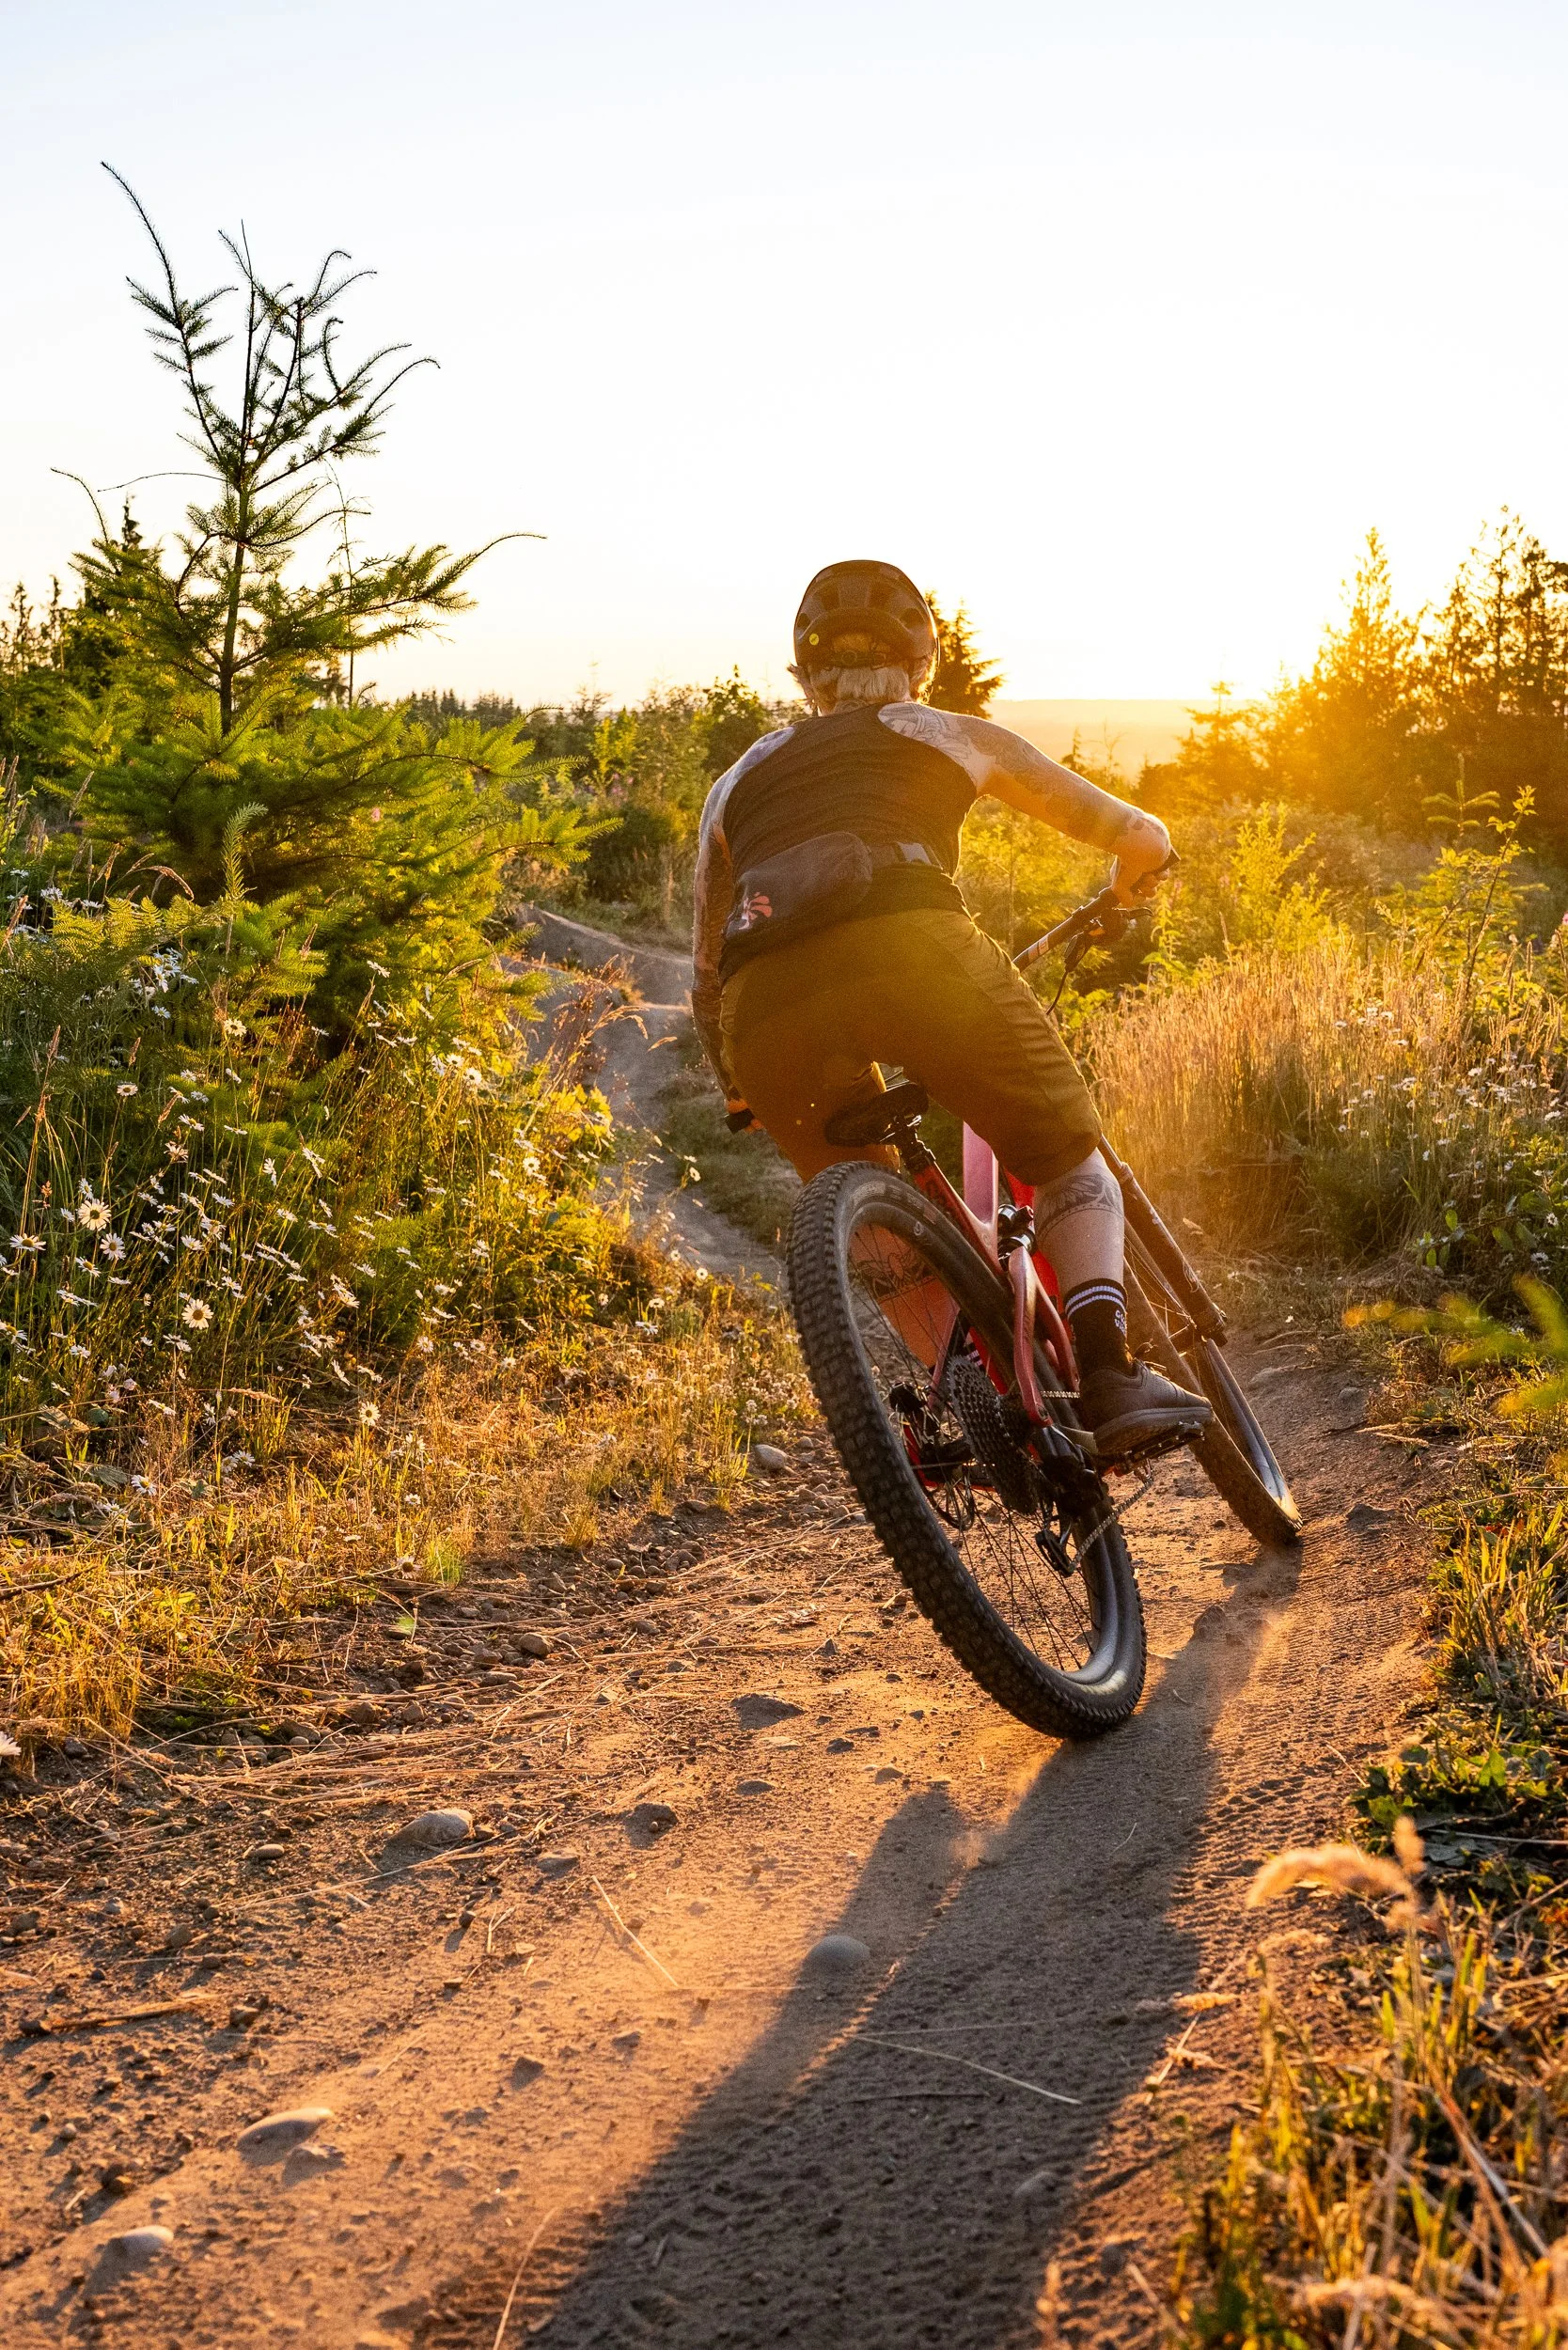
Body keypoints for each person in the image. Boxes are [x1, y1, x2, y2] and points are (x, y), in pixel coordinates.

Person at [690, 558, 1210, 1458]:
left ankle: (967, 1407)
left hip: (764, 1008)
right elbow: (1137, 833)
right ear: (921, 661)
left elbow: (705, 969)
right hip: (916, 953)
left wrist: (737, 1083)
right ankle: (1110, 1375)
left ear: (804, 675)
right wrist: (1136, 878)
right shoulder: (948, 734)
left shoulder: (738, 782)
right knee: (1063, 1153)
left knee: (888, 1240)